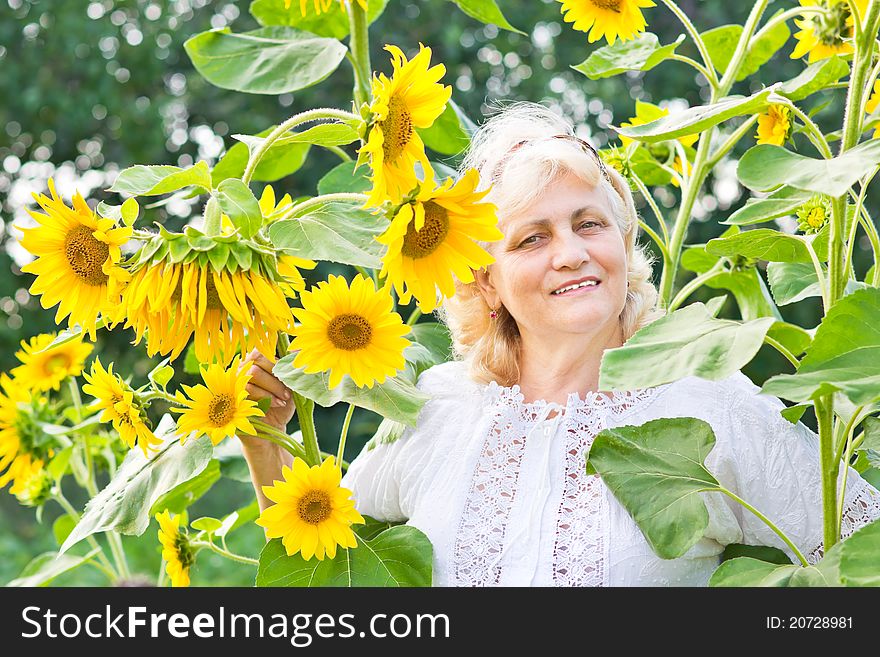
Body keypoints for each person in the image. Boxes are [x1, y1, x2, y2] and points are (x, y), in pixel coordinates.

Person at [238, 102, 880, 586]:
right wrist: (266, 445)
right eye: (532, 238)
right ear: (485, 282)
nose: (572, 255)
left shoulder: (702, 398)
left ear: (623, 244)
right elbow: (328, 561)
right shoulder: (436, 410)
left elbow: (857, 544)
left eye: (589, 223)